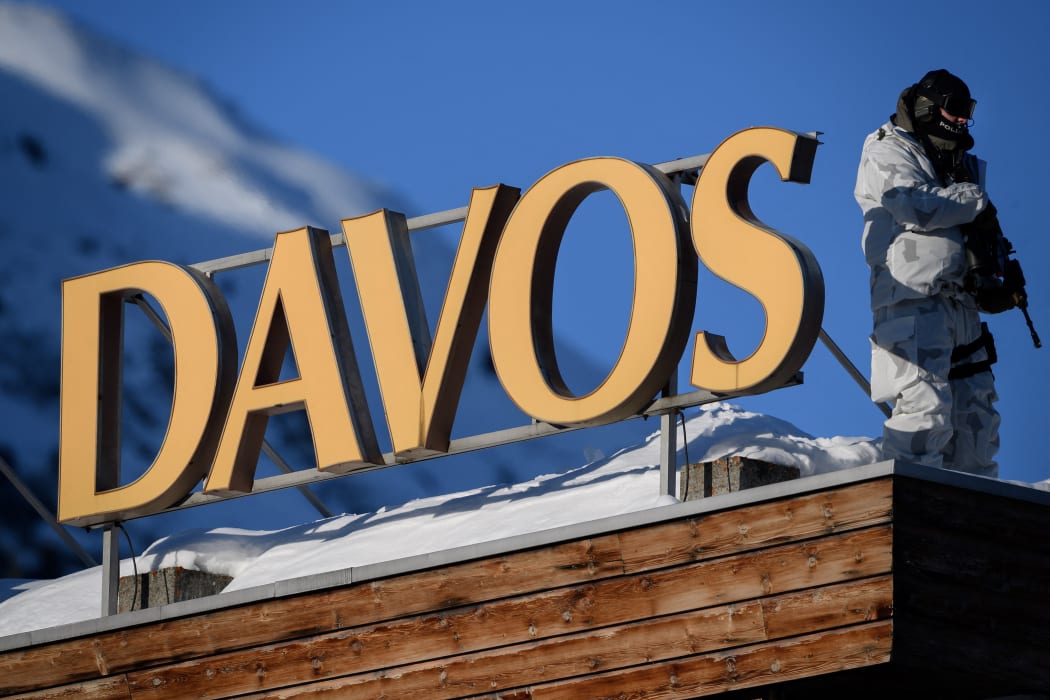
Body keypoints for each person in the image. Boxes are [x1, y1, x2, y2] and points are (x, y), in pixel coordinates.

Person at [854, 68, 1000, 477]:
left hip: (961, 304)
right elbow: (910, 203)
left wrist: (999, 274)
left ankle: (971, 523)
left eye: (967, 111)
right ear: (928, 106)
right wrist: (974, 200)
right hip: (912, 299)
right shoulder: (889, 148)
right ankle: (909, 508)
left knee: (976, 422)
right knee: (924, 408)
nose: (961, 119)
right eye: (954, 109)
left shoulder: (958, 163)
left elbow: (977, 224)